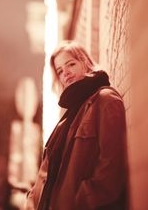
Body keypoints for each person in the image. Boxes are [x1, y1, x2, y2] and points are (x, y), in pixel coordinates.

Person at [25, 41, 127, 210]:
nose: (66, 73)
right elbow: (49, 174)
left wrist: (79, 201)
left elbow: (112, 170)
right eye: (60, 71)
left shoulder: (105, 101)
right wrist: (31, 201)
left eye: (71, 64)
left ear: (86, 63)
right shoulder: (68, 118)